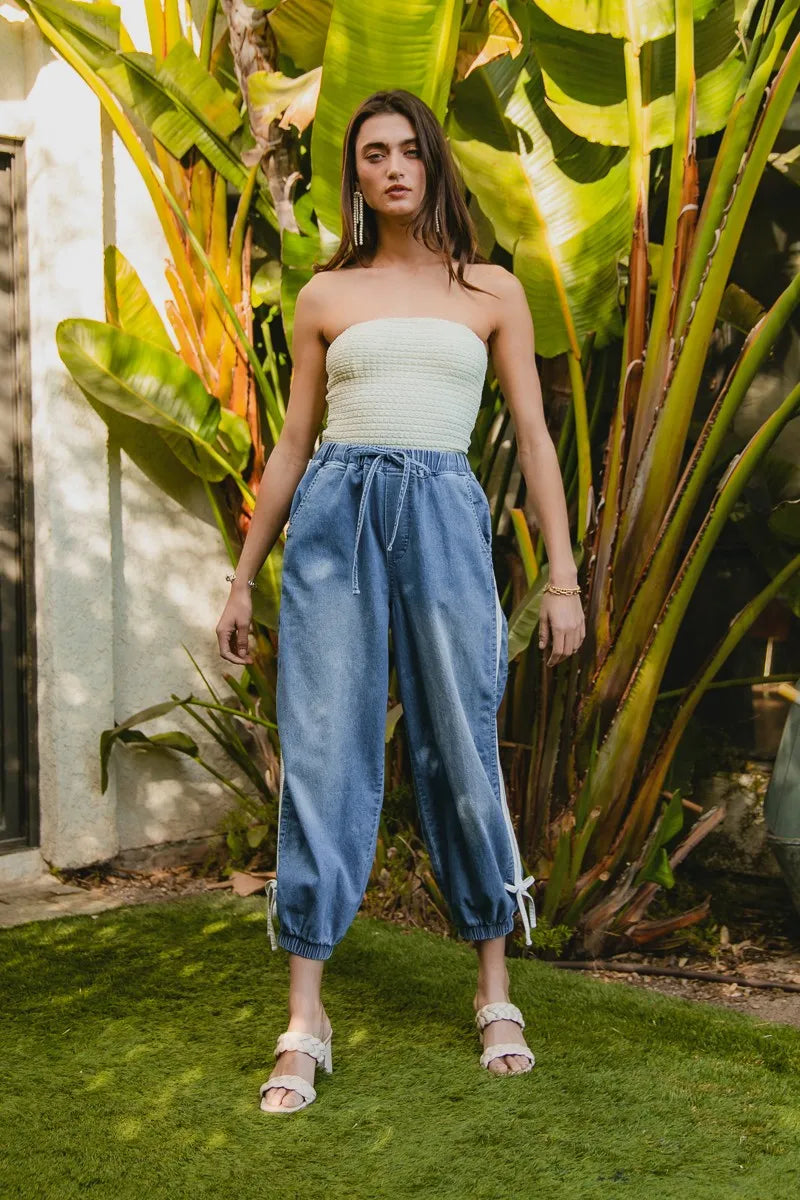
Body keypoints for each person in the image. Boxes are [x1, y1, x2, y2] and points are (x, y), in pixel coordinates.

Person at [216, 89, 585, 1114]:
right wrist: (245, 575)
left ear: (430, 165)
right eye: (372, 153)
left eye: (407, 151)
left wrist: (561, 575)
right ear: (356, 174)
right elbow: (292, 443)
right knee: (324, 744)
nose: (390, 167)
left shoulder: (492, 292)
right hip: (335, 514)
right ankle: (305, 1019)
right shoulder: (325, 296)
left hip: (441, 513)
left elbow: (533, 436)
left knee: (458, 741)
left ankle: (493, 990)